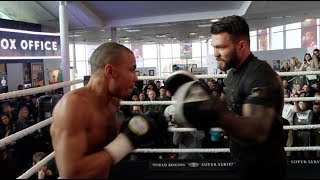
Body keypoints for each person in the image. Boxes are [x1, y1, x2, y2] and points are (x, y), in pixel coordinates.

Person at [164, 15, 287, 179]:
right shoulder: (233, 74)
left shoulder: (260, 76)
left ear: (241, 45)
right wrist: (194, 107)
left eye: (221, 47)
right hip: (241, 161)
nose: (216, 54)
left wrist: (216, 114)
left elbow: (258, 130)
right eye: (214, 47)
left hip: (265, 168)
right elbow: (223, 106)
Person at [50, 42, 161, 178]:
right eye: (131, 70)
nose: (136, 78)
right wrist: (126, 142)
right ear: (109, 71)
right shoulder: (73, 106)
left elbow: (103, 147)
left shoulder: (112, 101)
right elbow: (71, 173)